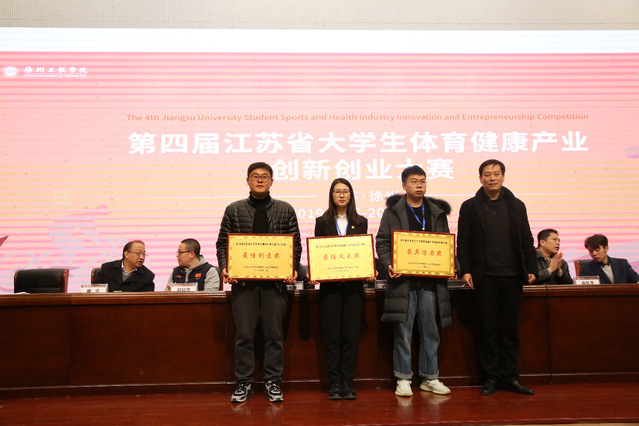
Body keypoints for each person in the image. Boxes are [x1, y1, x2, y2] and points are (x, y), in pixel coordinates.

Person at [216, 162, 302, 404]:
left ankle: (273, 381)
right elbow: (222, 243)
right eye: (255, 176)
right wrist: (225, 267)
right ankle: (244, 383)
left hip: (275, 286)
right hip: (244, 285)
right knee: (244, 336)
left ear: (272, 181)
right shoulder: (234, 210)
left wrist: (291, 268)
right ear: (247, 180)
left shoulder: (285, 209)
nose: (260, 180)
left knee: (274, 336)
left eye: (265, 176)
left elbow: (295, 244)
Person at [457, 159, 537, 396]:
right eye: (487, 174)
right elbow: (464, 241)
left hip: (512, 275)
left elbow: (527, 239)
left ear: (503, 176)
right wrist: (465, 269)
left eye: (496, 174)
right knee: (488, 329)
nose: (492, 178)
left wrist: (531, 268)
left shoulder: (517, 205)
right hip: (484, 276)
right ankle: (491, 376)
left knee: (510, 329)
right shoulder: (470, 206)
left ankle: (510, 376)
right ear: (480, 178)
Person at [376, 165, 453, 397]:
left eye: (422, 181)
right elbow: (382, 242)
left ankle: (430, 377)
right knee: (403, 332)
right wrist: (389, 263)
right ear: (404, 185)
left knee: (431, 331)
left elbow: (446, 244)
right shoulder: (392, 213)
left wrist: (451, 265)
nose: (419, 186)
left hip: (430, 283)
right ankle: (403, 378)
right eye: (414, 181)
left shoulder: (436, 212)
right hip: (403, 283)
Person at [313, 178, 373, 401]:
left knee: (350, 336)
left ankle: (347, 381)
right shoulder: (322, 222)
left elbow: (363, 253)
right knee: (331, 337)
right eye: (337, 191)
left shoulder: (361, 222)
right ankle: (335, 382)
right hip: (330, 289)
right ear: (331, 195)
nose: (341, 195)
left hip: (354, 288)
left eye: (345, 191)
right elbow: (318, 253)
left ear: (351, 195)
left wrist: (369, 268)